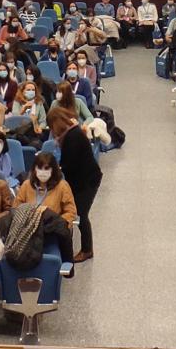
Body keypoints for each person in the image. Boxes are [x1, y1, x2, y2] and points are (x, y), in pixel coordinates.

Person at [47, 107, 101, 263]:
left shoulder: (73, 137)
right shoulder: (71, 133)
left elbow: (69, 163)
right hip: (82, 179)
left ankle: (87, 249)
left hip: (87, 181)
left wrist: (57, 168)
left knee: (82, 214)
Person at [13, 152, 77, 225]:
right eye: (40, 168)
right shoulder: (26, 185)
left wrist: (56, 223)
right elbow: (16, 209)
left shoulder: (62, 186)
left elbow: (71, 212)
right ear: (34, 169)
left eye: (46, 168)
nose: (43, 172)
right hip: (27, 228)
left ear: (53, 170)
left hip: (53, 229)